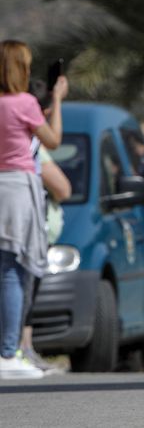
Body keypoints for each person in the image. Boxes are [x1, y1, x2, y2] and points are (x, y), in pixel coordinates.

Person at [0, 40, 66, 380]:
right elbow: (52, 140)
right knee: (14, 270)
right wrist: (57, 100)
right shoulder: (23, 103)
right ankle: (8, 352)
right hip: (16, 187)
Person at [19, 80, 72, 374]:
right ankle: (18, 350)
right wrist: (58, 101)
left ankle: (23, 349)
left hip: (31, 227)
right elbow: (62, 188)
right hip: (29, 228)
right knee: (21, 285)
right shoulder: (33, 141)